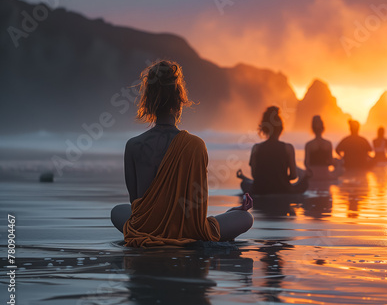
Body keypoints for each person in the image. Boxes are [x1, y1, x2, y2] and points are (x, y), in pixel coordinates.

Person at [110, 60, 253, 247]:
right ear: (180, 101)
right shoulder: (195, 145)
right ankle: (229, 215)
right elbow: (196, 205)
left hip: (145, 229)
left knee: (117, 211)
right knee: (245, 218)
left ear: (149, 103)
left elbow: (136, 206)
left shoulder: (133, 146)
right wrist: (232, 212)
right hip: (189, 231)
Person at [237, 106, 308, 195]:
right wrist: (280, 179)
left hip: (260, 190)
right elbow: (293, 176)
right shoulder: (288, 148)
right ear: (281, 129)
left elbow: (255, 176)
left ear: (264, 129)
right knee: (305, 182)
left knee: (244, 183)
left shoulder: (256, 148)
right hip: (282, 189)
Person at [304, 115, 343, 180]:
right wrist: (337, 162)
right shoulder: (328, 143)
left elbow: (306, 163)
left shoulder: (309, 144)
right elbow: (330, 161)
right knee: (342, 168)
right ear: (323, 128)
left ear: (313, 129)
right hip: (325, 174)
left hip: (313, 175)